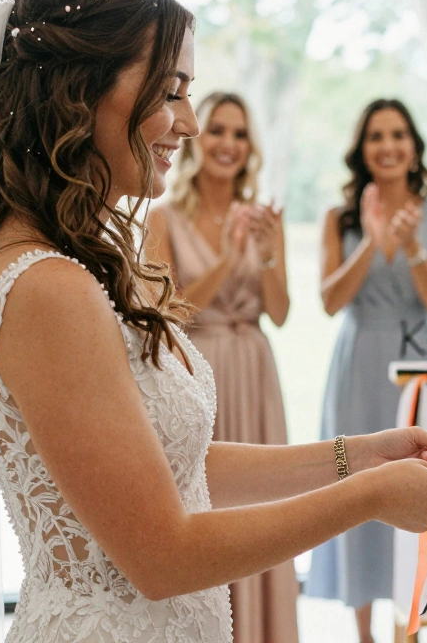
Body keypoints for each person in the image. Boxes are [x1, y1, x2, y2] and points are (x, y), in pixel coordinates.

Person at [0, 0, 427, 643]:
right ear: (80, 93)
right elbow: (162, 555)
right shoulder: (45, 288)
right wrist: (368, 497)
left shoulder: (61, 264)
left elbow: (173, 474)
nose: (187, 123)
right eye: (170, 91)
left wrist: (361, 454)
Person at [144, 91, 298, 643]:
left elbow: (279, 311)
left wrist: (269, 252)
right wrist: (229, 260)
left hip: (256, 371)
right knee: (206, 504)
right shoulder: (162, 217)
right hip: (196, 367)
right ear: (195, 139)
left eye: (238, 133)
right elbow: (166, 312)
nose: (227, 144)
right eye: (216, 131)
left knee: (266, 504)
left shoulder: (261, 216)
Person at [306, 99, 427, 643]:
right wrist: (372, 239)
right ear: (362, 149)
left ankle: (409, 629)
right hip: (359, 362)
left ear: (414, 146)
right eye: (376, 136)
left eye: (398, 135)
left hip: (418, 363)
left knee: (419, 486)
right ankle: (364, 632)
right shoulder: (338, 219)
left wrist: (413, 244)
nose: (388, 146)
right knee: (356, 483)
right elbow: (329, 300)